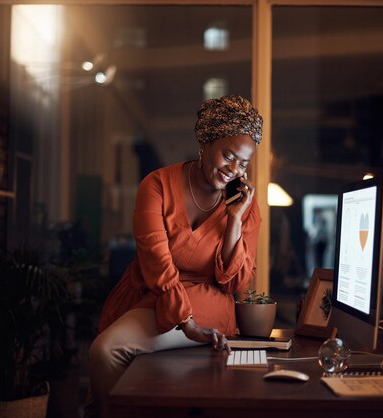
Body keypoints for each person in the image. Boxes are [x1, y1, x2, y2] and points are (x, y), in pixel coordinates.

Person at [88, 94, 263, 416]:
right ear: (206, 142)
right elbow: (154, 257)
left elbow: (235, 282)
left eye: (243, 163)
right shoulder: (156, 185)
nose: (234, 170)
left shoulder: (245, 207)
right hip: (156, 290)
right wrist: (184, 322)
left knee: (106, 350)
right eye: (228, 156)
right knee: (106, 353)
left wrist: (234, 221)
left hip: (208, 300)